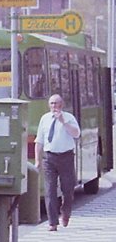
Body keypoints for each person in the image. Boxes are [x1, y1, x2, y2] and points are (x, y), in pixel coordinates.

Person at [34, 94, 81, 231]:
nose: (54, 106)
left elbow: (76, 134)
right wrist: (37, 160)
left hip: (66, 157)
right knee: (50, 191)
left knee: (67, 189)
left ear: (62, 104)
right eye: (52, 103)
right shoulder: (44, 119)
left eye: (57, 103)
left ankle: (66, 212)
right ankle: (52, 222)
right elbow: (39, 141)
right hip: (49, 158)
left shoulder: (69, 118)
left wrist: (63, 122)